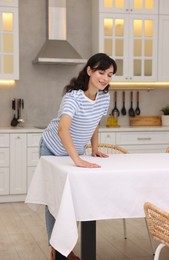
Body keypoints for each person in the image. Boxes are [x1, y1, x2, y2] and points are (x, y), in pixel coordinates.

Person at [39, 53, 117, 260]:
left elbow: (94, 123)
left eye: (110, 75)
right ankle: (57, 250)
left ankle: (64, 247)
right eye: (102, 72)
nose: (105, 79)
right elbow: (63, 130)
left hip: (74, 152)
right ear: (89, 71)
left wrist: (94, 148)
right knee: (55, 201)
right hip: (53, 150)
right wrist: (78, 160)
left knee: (74, 200)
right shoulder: (73, 97)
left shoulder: (104, 97)